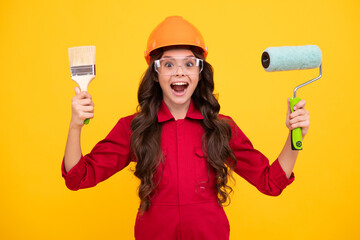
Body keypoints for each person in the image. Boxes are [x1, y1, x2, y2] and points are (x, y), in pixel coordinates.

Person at [62, 16, 310, 240]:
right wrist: (75, 125)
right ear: (156, 73)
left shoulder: (220, 128)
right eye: (168, 65)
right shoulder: (134, 128)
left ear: (200, 73)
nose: (179, 72)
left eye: (189, 64)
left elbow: (270, 182)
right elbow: (78, 177)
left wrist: (294, 136)